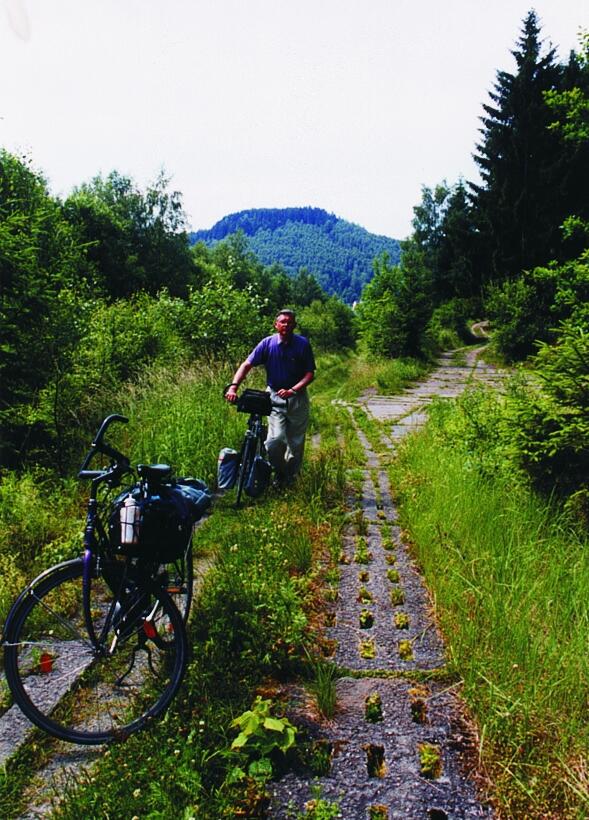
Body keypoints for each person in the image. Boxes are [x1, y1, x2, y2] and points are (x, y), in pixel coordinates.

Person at [225, 309, 316, 485]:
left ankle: (289, 478)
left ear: (294, 325)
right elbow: (247, 364)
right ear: (276, 325)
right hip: (274, 397)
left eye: (290, 322)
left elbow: (309, 373)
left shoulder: (302, 344)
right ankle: (280, 471)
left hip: (297, 398)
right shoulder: (267, 344)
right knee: (274, 441)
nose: (286, 325)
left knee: (295, 444)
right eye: (282, 322)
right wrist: (234, 386)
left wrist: (293, 389)